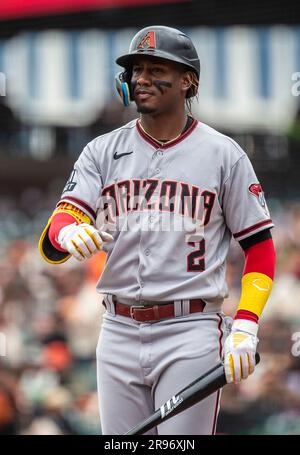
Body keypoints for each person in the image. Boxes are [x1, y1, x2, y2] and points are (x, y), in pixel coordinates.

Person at [39, 25, 276, 435]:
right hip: (116, 329)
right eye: (135, 70)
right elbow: (59, 224)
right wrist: (67, 233)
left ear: (188, 80)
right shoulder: (102, 151)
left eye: (155, 68)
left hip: (190, 330)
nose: (141, 79)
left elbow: (260, 248)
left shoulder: (224, 155)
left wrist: (246, 324)